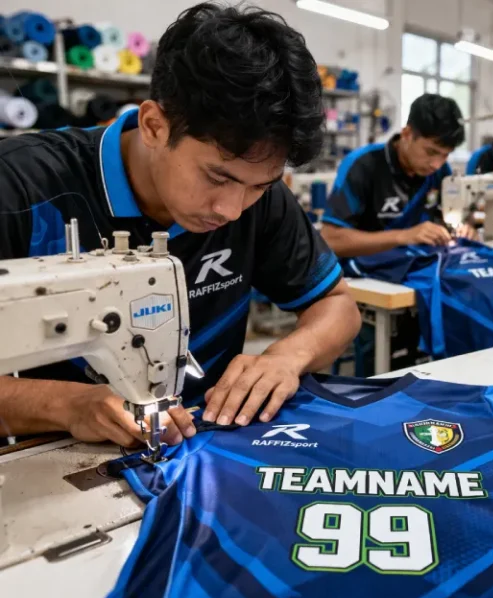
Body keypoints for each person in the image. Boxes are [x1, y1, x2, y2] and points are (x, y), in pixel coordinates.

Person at [0, 3, 360, 448]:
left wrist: (288, 356)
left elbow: (338, 305)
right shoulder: (20, 187)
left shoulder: (259, 197)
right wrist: (68, 405)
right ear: (154, 125)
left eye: (259, 186)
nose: (232, 210)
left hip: (206, 438)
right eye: (217, 177)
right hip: (51, 455)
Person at [321, 94, 477, 258]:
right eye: (431, 152)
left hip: (414, 261)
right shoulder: (363, 165)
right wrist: (404, 236)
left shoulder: (441, 171)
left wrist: (466, 228)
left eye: (445, 155)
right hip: (366, 269)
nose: (436, 164)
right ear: (407, 134)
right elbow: (331, 240)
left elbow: (448, 216)